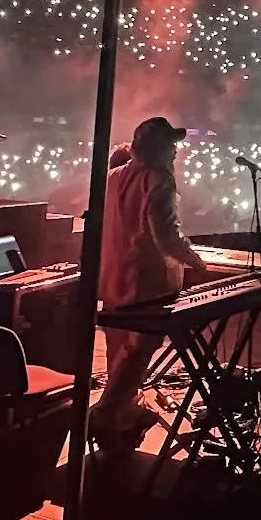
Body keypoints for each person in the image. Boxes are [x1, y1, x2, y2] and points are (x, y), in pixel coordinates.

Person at [90, 116, 212, 443]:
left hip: (113, 274)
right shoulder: (160, 179)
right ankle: (107, 412)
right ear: (160, 148)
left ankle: (121, 411)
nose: (175, 151)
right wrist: (195, 261)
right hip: (146, 282)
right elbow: (166, 236)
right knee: (139, 348)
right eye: (171, 145)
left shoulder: (113, 176)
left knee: (117, 344)